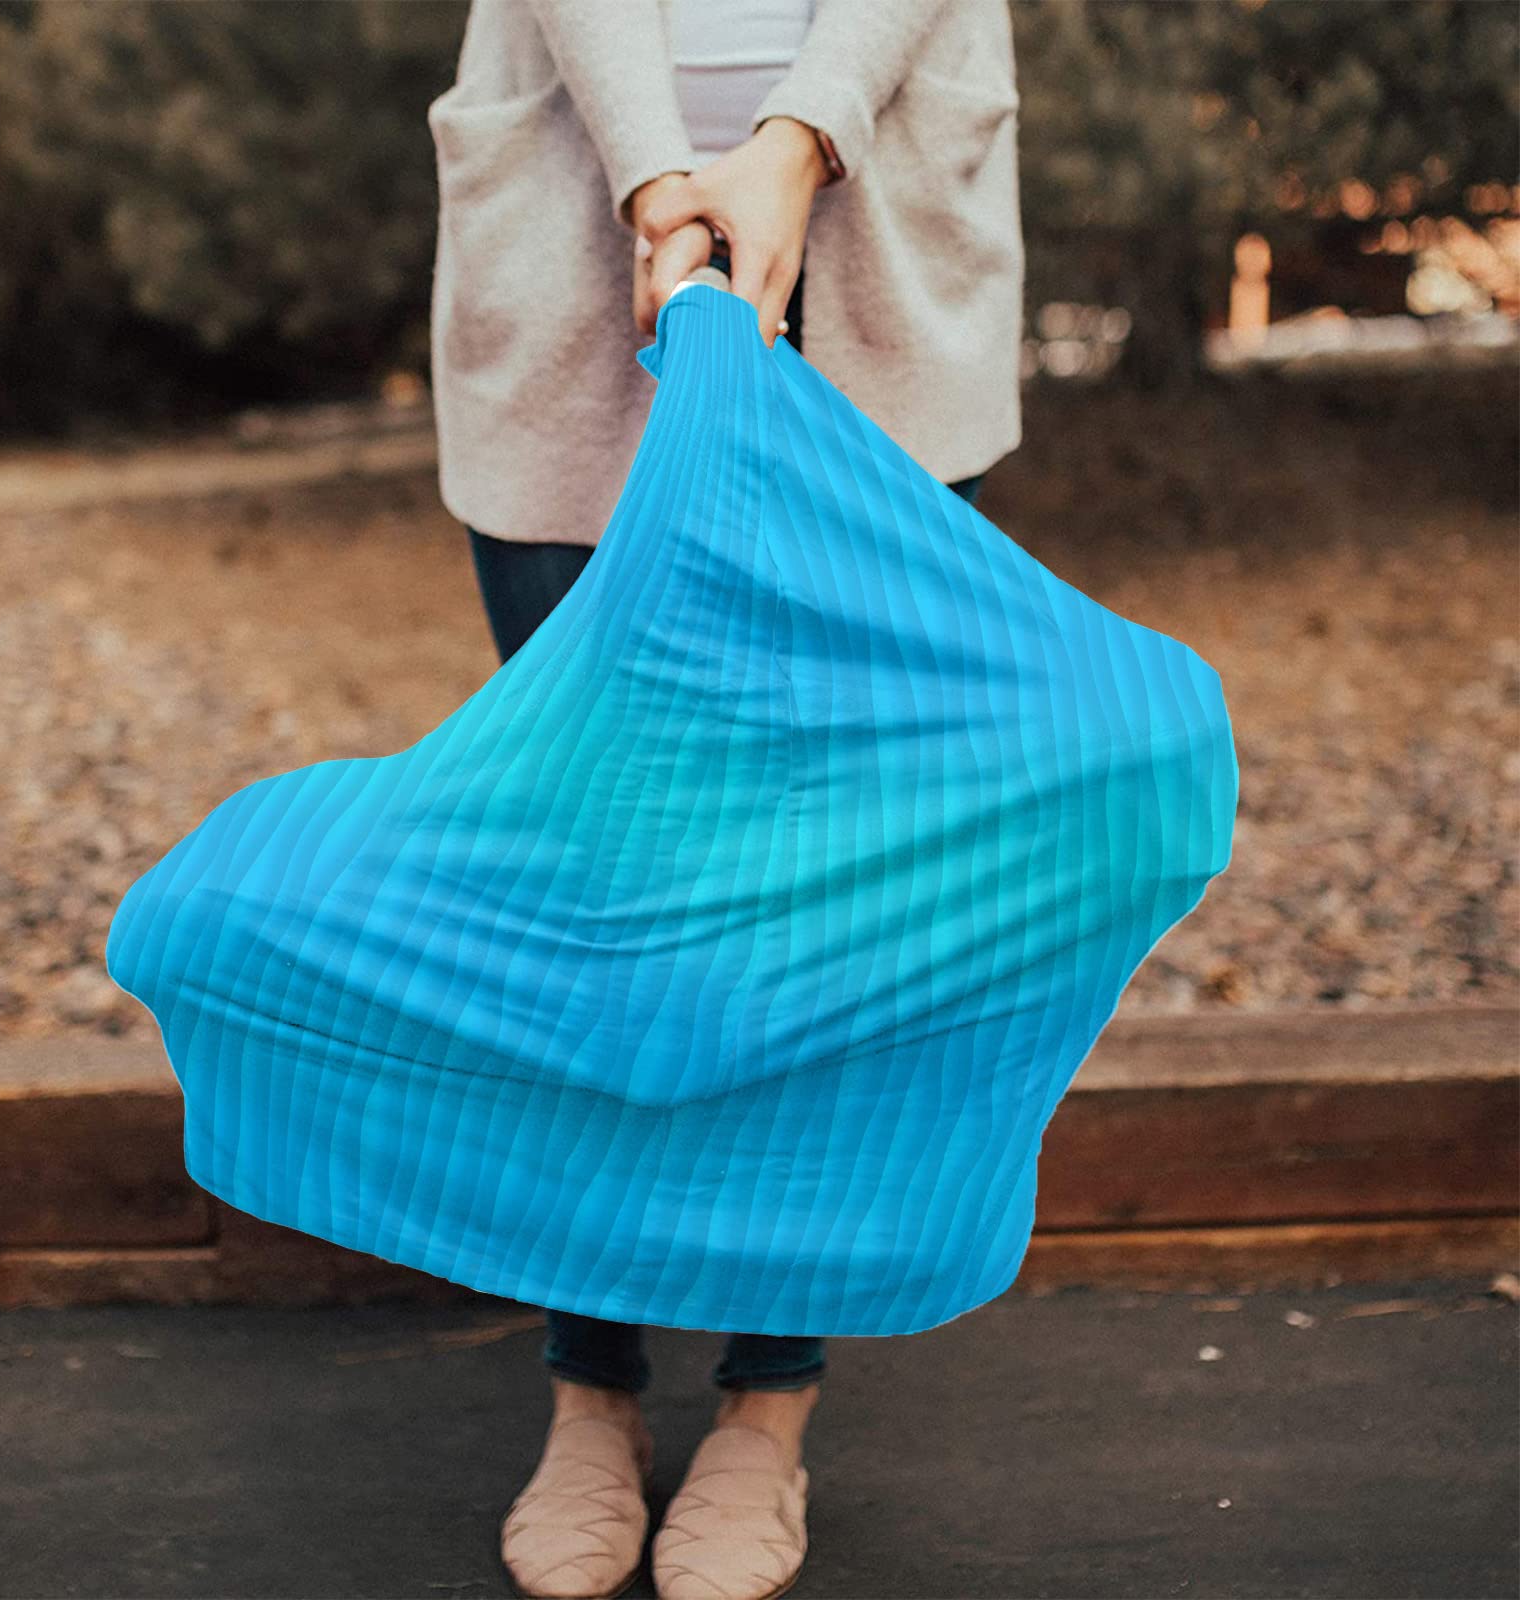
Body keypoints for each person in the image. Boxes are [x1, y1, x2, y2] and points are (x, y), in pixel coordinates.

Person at [426, 4, 1023, 1596]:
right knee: (592, 883)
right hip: (575, 225)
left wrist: (797, 137)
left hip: (877, 224)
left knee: (823, 891)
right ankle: (590, 1388)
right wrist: (653, 178)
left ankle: (769, 1403)